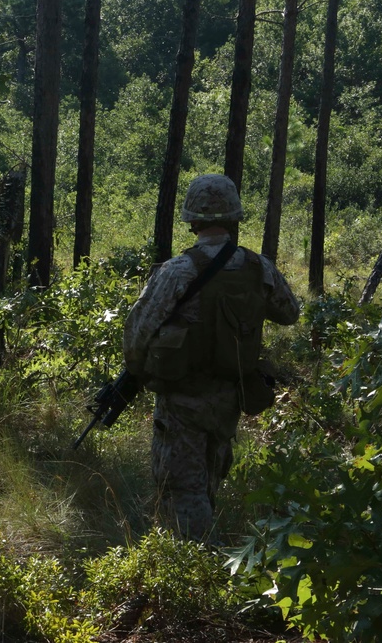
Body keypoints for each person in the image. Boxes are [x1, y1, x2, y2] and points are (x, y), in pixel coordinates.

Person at [122, 174, 300, 543]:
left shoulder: (177, 270)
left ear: (192, 219)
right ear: (234, 216)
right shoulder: (258, 268)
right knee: (208, 476)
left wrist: (137, 372)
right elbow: (289, 312)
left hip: (182, 396)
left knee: (182, 486)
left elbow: (139, 329)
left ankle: (195, 569)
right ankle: (206, 557)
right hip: (229, 395)